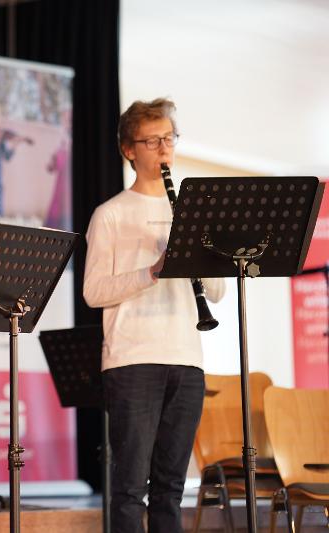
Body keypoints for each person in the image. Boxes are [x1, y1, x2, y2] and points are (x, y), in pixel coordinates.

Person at [83, 97, 226, 533]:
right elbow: (93, 292)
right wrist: (152, 271)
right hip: (132, 361)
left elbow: (217, 292)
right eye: (153, 140)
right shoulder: (110, 214)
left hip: (186, 358)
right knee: (129, 488)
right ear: (129, 149)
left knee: (171, 486)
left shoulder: (189, 212)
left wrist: (204, 253)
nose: (165, 148)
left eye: (169, 138)